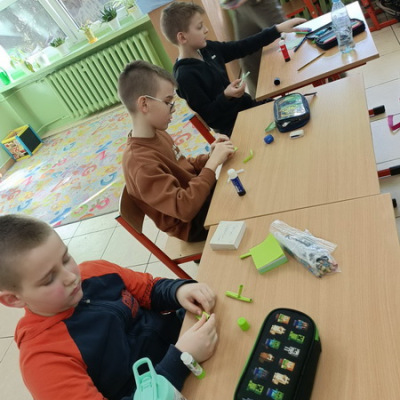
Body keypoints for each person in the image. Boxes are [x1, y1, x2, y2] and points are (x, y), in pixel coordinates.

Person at [0, 214, 218, 400]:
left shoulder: (95, 270)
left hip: (190, 343)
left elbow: (149, 289)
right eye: (49, 279)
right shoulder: (44, 362)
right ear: (13, 299)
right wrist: (181, 359)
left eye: (66, 259)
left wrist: (178, 291)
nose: (71, 277)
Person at [119, 60, 235, 242]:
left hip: (198, 197)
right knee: (249, 204)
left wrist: (209, 157)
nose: (172, 109)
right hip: (192, 223)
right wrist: (212, 165)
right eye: (168, 102)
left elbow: (184, 166)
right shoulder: (140, 163)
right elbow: (184, 209)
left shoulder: (157, 132)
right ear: (144, 104)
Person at [160, 2, 306, 136]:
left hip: (248, 108)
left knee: (296, 111)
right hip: (233, 127)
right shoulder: (185, 76)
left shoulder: (208, 49)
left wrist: (277, 29)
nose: (206, 30)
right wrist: (226, 96)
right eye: (199, 27)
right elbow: (209, 117)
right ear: (182, 38)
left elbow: (242, 47)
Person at [221, 0, 286, 98]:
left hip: (259, 3)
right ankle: (260, 102)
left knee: (287, 39)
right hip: (240, 7)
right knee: (248, 60)